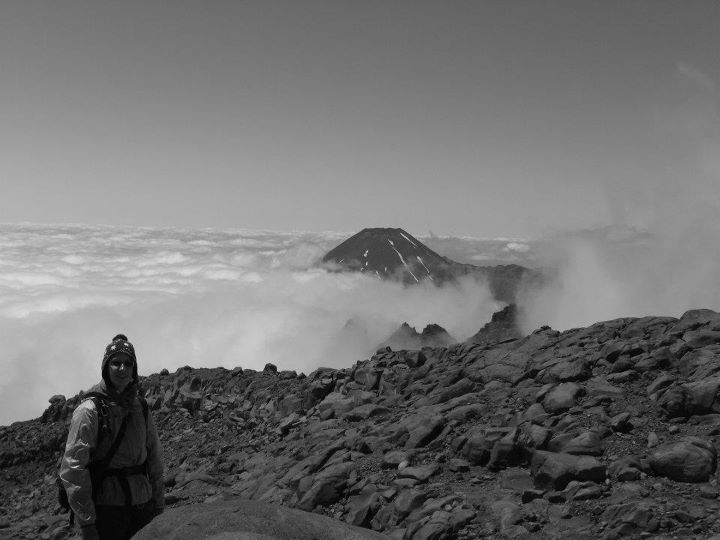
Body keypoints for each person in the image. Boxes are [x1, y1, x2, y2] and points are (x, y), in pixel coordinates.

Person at [59, 334, 165, 540]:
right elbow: (73, 469)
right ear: (106, 367)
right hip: (107, 512)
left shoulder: (140, 406)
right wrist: (88, 523)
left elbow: (154, 456)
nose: (122, 369)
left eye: (128, 363)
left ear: (134, 369)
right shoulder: (89, 410)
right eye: (116, 363)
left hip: (143, 507)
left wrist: (158, 504)